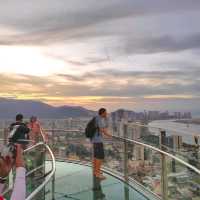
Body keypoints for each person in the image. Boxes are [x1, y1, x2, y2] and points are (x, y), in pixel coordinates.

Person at [91, 108, 112, 180]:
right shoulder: (99, 119)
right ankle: (97, 173)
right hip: (98, 141)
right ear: (102, 113)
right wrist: (109, 135)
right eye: (105, 113)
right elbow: (103, 129)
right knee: (99, 157)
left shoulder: (96, 118)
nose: (106, 114)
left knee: (96, 157)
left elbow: (103, 127)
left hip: (95, 140)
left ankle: (95, 171)